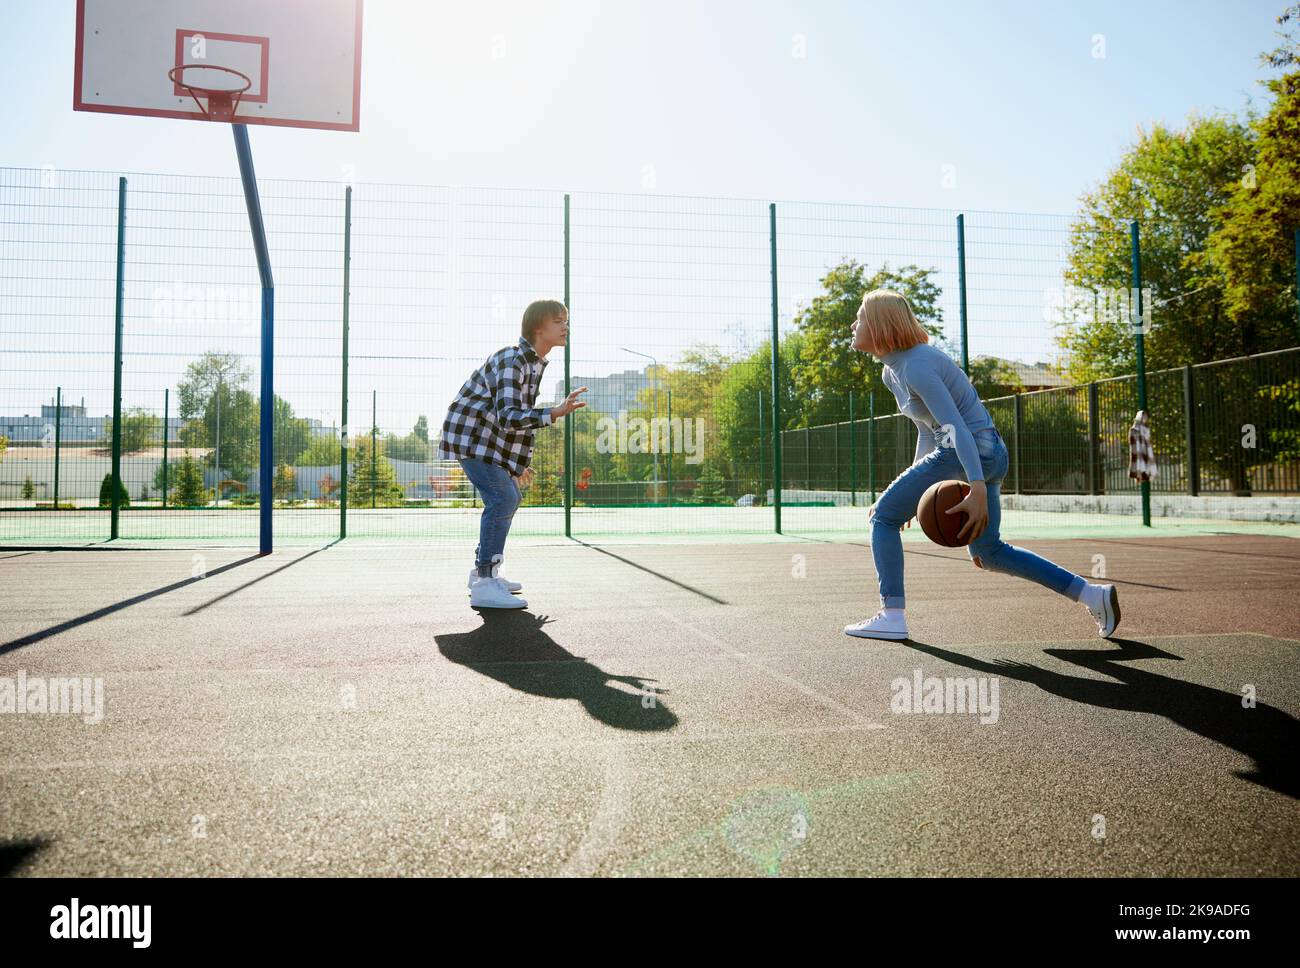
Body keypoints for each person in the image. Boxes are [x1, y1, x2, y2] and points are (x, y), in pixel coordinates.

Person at [844, 289, 1120, 641]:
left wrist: (975, 485)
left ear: (881, 324)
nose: (854, 324)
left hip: (968, 451)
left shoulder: (916, 365)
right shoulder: (892, 372)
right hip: (985, 452)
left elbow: (955, 428)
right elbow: (928, 433)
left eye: (861, 318)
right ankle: (1093, 595)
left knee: (882, 517)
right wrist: (915, 491)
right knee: (989, 553)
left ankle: (892, 615)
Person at [439, 299, 587, 609]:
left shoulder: (532, 363)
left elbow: (509, 419)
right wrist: (555, 412)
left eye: (566, 321)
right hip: (472, 437)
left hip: (486, 441)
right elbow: (508, 415)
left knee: (510, 496)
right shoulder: (513, 359)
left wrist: (514, 465)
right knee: (503, 498)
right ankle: (485, 580)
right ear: (538, 327)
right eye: (558, 321)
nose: (565, 327)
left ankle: (484, 572)